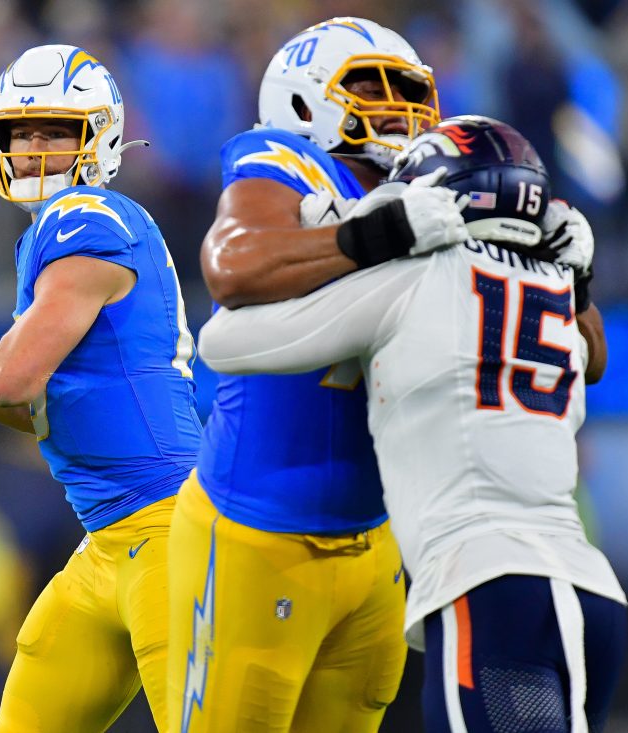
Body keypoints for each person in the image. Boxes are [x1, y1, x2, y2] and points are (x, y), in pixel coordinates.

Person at [198, 116, 627, 732]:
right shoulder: (563, 298)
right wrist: (576, 281)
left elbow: (225, 342)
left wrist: (354, 238)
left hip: (487, 583)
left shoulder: (412, 277)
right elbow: (593, 361)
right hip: (592, 597)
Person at [0, 44, 202, 732]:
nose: (33, 149)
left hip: (170, 534)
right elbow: (43, 404)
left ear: (101, 135)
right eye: (20, 134)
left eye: (55, 130)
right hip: (110, 539)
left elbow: (16, 378)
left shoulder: (84, 218)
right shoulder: (61, 234)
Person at [167, 17, 471, 733]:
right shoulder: (288, 160)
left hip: (376, 545)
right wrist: (379, 233)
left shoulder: (435, 186)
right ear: (302, 100)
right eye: (369, 85)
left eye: (407, 89)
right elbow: (234, 264)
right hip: (257, 536)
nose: (395, 105)